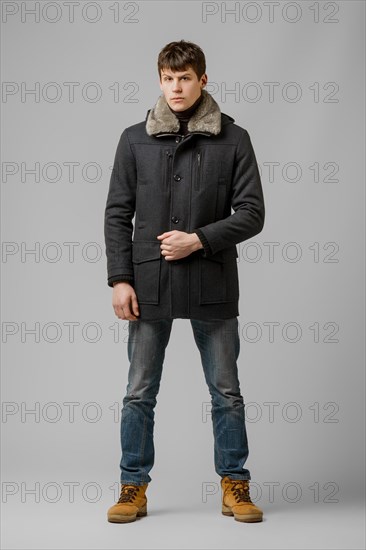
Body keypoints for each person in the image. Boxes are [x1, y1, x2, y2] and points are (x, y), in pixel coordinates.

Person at [104, 40, 265, 523]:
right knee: (138, 391)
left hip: (212, 281)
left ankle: (235, 484)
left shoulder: (234, 139)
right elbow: (117, 214)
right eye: (168, 78)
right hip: (149, 284)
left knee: (226, 391)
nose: (176, 87)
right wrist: (119, 279)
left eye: (186, 78)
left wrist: (198, 239)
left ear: (203, 81)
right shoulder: (134, 139)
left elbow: (253, 213)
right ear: (159, 80)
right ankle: (132, 487)